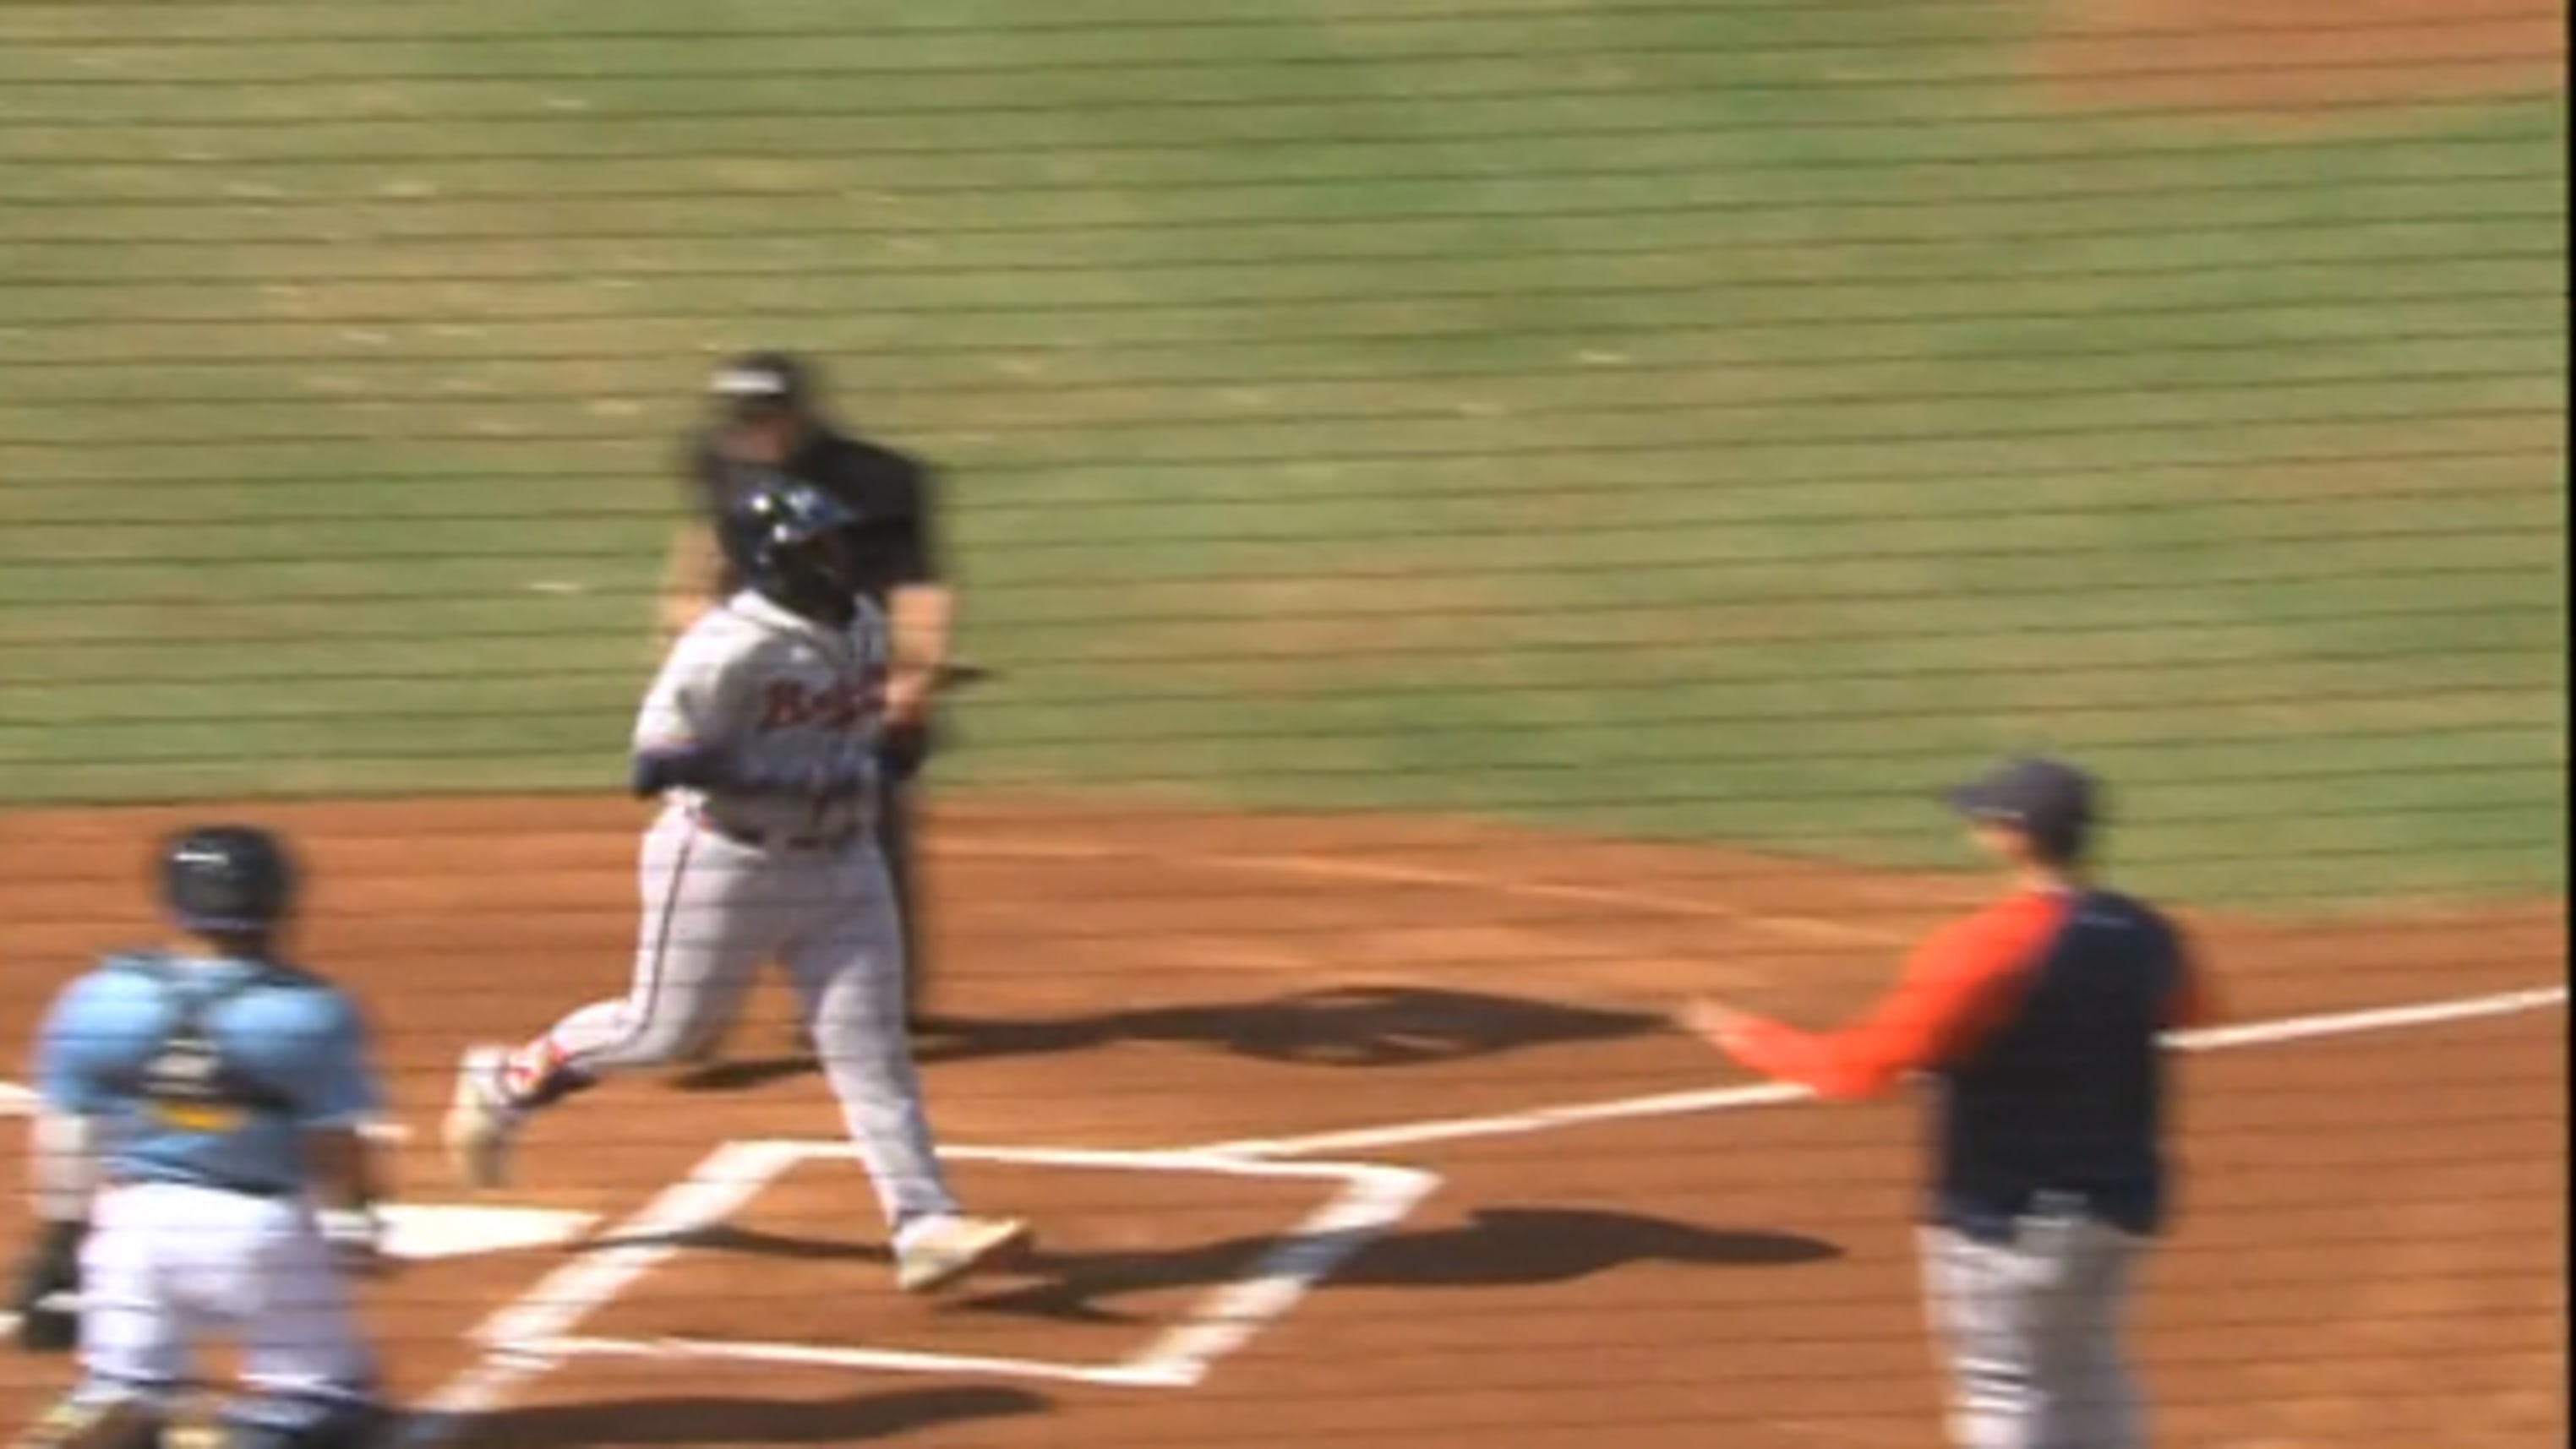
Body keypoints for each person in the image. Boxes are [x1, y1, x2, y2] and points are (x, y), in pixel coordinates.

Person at [442, 472, 1029, 1295]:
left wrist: (904, 729)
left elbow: (884, 755)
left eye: (837, 542)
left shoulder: (860, 625)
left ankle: (924, 1223)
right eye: (818, 546)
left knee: (871, 1052)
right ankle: (506, 1080)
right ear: (775, 560)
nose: (839, 557)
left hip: (844, 864)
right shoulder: (728, 646)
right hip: (726, 862)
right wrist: (779, 772)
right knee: (662, 1032)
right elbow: (656, 761)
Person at [1683, 756, 2217, 1449]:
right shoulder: (2151, 933)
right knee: (2089, 1365)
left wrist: (1748, 1035)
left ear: (2015, 838)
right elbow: (2192, 1009)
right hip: (2123, 1204)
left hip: (2009, 1214)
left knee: (2003, 1382)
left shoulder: (1987, 946)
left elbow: (1859, 1069)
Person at [8, 826, 395, 1449]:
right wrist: (356, 1226)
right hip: (262, 1238)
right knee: (329, 1400)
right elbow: (336, 1143)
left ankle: (93, 1411)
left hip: (132, 1233)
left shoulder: (100, 997)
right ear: (278, 900)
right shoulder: (313, 1013)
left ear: (170, 900)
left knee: (121, 1389)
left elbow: (68, 1131)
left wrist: (59, 1241)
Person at [657, 350, 958, 1056]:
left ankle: (873, 1004)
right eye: (742, 418)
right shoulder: (719, 462)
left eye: (768, 416)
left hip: (850, 682)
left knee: (864, 842)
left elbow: (919, 588)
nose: (754, 431)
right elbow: (702, 559)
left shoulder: (881, 482)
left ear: (804, 416)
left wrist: (911, 679)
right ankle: (696, 1012)